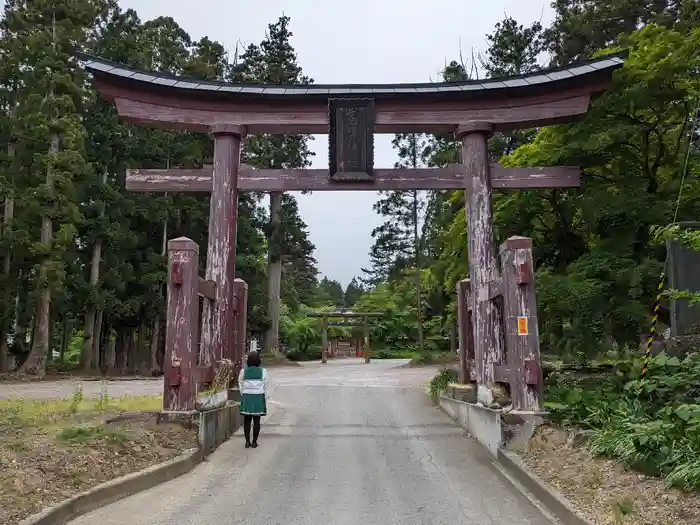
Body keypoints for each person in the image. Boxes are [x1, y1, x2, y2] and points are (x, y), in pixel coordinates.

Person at [238, 350, 268, 448]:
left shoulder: (244, 371)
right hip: (258, 397)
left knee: (247, 421)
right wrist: (263, 396)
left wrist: (243, 392)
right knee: (256, 421)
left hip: (247, 397)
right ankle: (254, 442)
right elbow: (265, 385)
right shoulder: (263, 371)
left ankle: (247, 442)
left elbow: (240, 382)